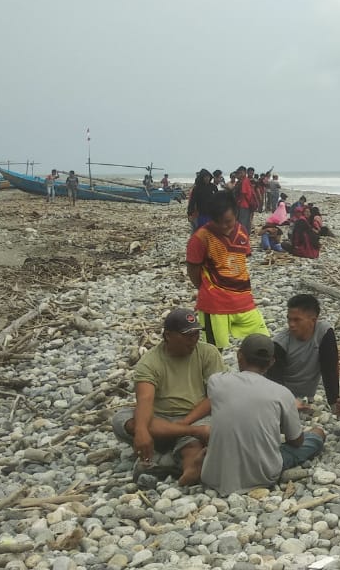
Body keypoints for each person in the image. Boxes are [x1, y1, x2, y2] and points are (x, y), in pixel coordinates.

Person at [200, 335, 327, 495]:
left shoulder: (216, 382)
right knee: (317, 434)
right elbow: (296, 441)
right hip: (263, 476)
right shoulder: (281, 393)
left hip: (214, 476)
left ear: (239, 356)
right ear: (271, 362)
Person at [111, 309, 225, 486]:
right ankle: (178, 449)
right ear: (169, 336)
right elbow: (145, 400)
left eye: (196, 334)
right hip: (161, 419)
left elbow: (215, 396)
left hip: (196, 415)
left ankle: (185, 469)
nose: (193, 340)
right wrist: (142, 431)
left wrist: (186, 422)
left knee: (194, 442)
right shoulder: (150, 362)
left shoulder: (208, 353)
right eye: (187, 336)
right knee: (122, 420)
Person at [186, 192, 270, 348]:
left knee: (263, 343)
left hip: (244, 299)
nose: (224, 226)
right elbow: (192, 269)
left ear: (236, 213)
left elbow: (241, 261)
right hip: (215, 303)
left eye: (228, 221)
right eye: (218, 222)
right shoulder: (200, 238)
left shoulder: (242, 231)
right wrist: (207, 288)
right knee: (215, 351)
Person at [268, 294, 340, 416]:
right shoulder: (280, 344)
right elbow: (273, 381)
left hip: (306, 397)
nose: (291, 324)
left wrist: (334, 403)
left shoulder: (323, 333)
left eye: (296, 320)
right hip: (281, 397)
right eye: (289, 319)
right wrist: (288, 401)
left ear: (313, 320)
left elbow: (329, 368)